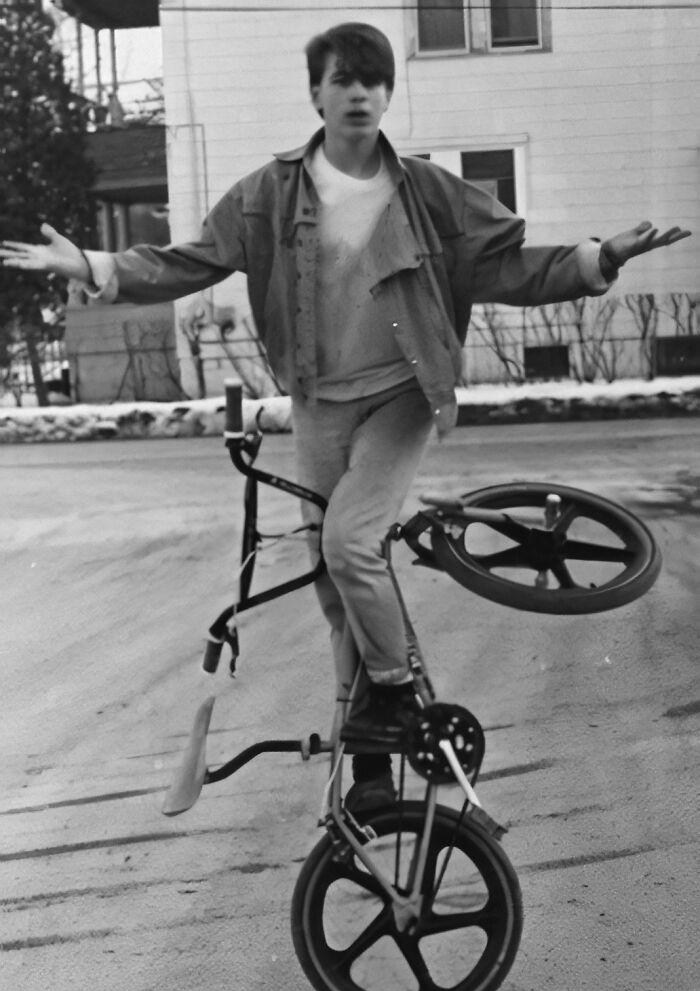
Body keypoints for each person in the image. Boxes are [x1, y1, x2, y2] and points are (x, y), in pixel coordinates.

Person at [1, 23, 691, 812]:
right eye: (344, 79)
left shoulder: (428, 191)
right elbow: (192, 260)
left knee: (349, 543)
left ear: (389, 94)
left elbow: (506, 266)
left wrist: (598, 258)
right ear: (317, 94)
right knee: (337, 585)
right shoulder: (272, 191)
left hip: (402, 394)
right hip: (318, 403)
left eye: (374, 81)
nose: (360, 93)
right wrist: (95, 265)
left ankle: (396, 697)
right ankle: (368, 768)